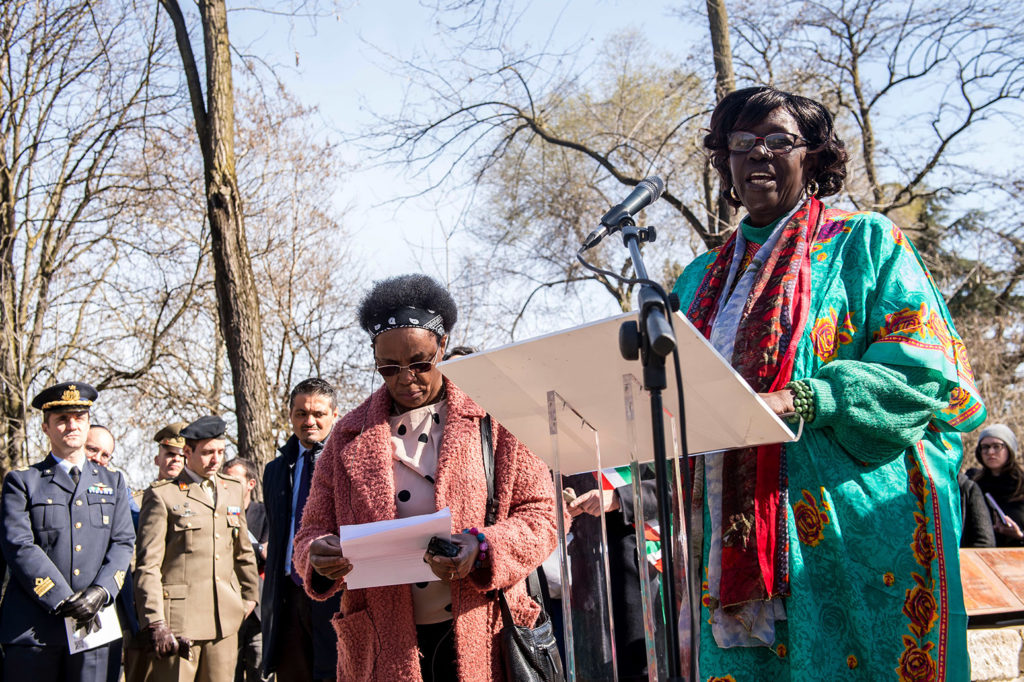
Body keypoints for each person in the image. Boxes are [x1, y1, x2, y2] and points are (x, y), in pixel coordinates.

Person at [671, 86, 986, 679]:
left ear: (812, 157)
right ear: (724, 160)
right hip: (726, 538)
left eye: (778, 141)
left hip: (849, 527)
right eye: (741, 143)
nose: (758, 154)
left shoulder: (865, 243)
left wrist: (806, 397)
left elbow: (923, 371)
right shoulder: (697, 279)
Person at [293, 274, 558, 681]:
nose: (405, 377)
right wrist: (317, 553)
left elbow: (543, 516)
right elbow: (310, 532)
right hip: (384, 647)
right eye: (389, 367)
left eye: (420, 362)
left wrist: (481, 546)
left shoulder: (494, 417)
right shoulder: (346, 437)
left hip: (483, 632)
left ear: (443, 346)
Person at [0, 381, 135, 681]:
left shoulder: (113, 483)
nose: (71, 425)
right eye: (62, 419)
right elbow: (19, 546)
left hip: (95, 630)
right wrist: (62, 598)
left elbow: (123, 542)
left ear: (88, 424)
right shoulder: (23, 482)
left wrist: (102, 591)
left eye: (79, 417)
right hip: (34, 631)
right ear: (46, 428)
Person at [133, 415, 260, 682]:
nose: (215, 460)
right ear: (187, 452)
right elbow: (148, 565)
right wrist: (155, 621)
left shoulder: (232, 488)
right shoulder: (163, 495)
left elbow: (243, 550)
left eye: (220, 452)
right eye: (207, 453)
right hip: (178, 623)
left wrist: (249, 597)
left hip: (224, 619)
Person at [261, 378, 341, 682]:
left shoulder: (349, 461)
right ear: (290, 416)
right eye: (300, 414)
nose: (309, 421)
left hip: (334, 593)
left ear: (334, 415)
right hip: (289, 596)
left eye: (318, 414)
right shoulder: (276, 470)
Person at [222, 457, 268, 682]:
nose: (226, 483)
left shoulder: (266, 513)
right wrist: (257, 548)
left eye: (233, 479)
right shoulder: (217, 514)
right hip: (225, 609)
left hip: (258, 612)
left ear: (250, 484)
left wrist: (256, 549)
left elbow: (270, 554)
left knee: (260, 673)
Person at [969, 424, 1024, 546]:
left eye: (997, 446)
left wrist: (1019, 535)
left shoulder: (1021, 485)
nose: (990, 452)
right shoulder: (973, 484)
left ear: (1009, 449)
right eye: (985, 447)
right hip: (981, 557)